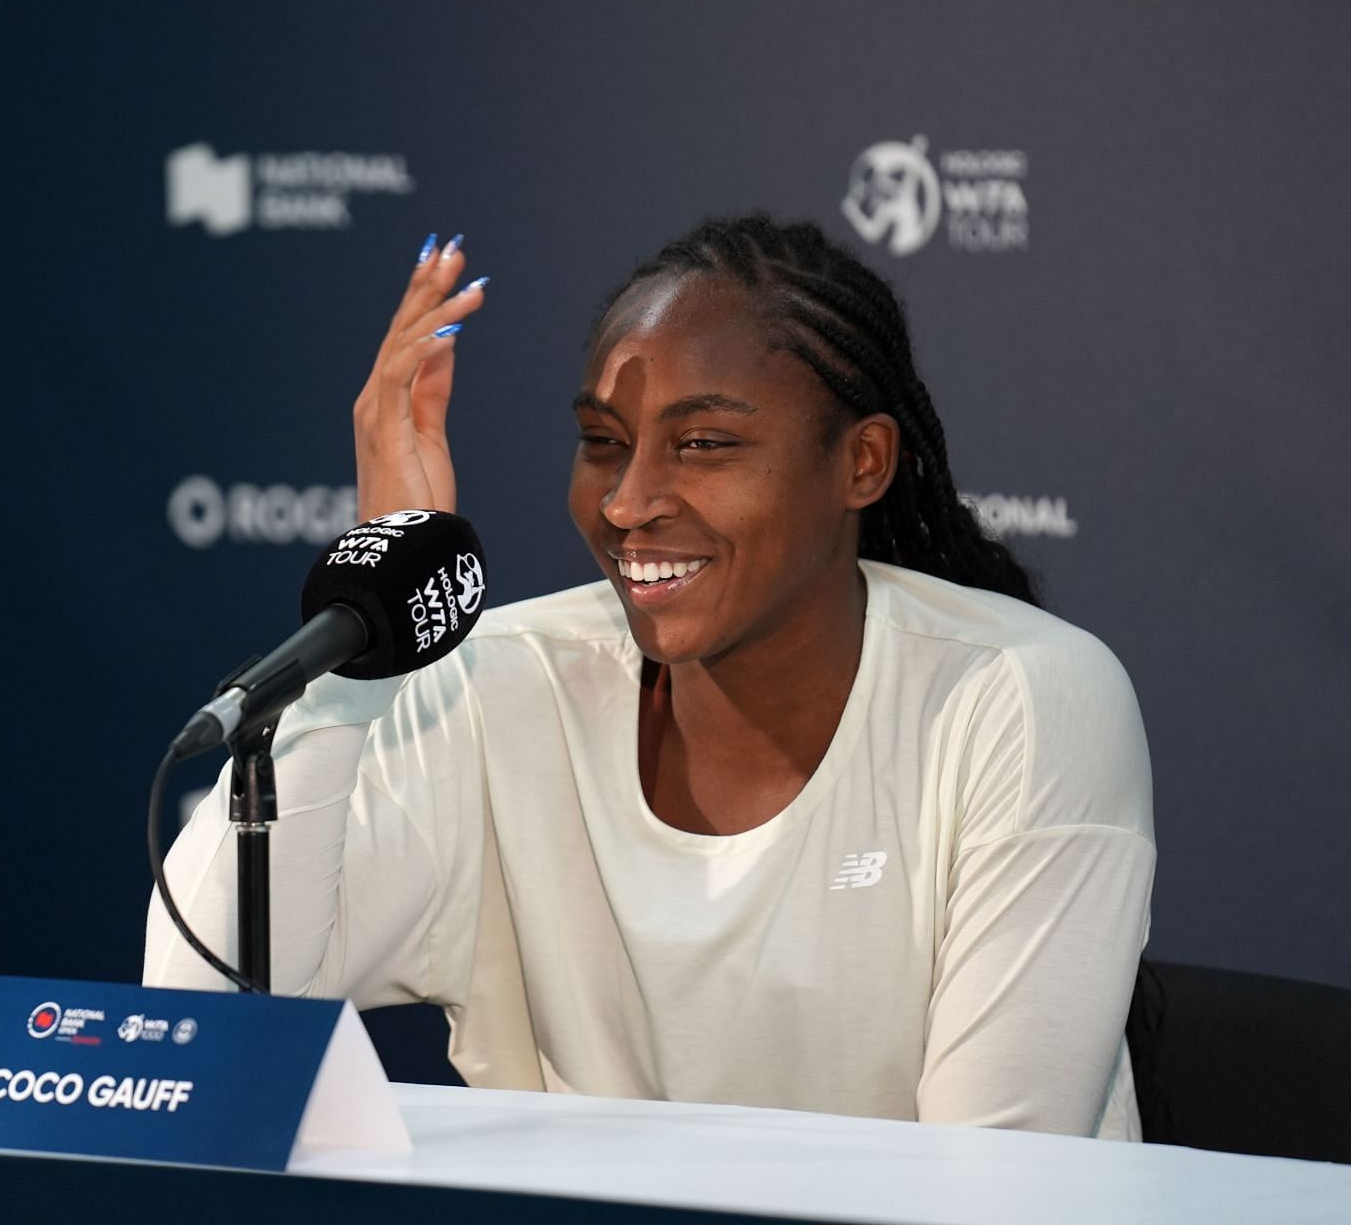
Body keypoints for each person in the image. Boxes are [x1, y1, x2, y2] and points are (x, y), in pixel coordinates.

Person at [145, 215, 1155, 1139]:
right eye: (604, 443)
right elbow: (209, 1017)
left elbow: (994, 1193)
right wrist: (371, 646)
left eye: (704, 443)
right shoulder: (493, 687)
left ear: (863, 462)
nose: (628, 502)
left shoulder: (1020, 701)